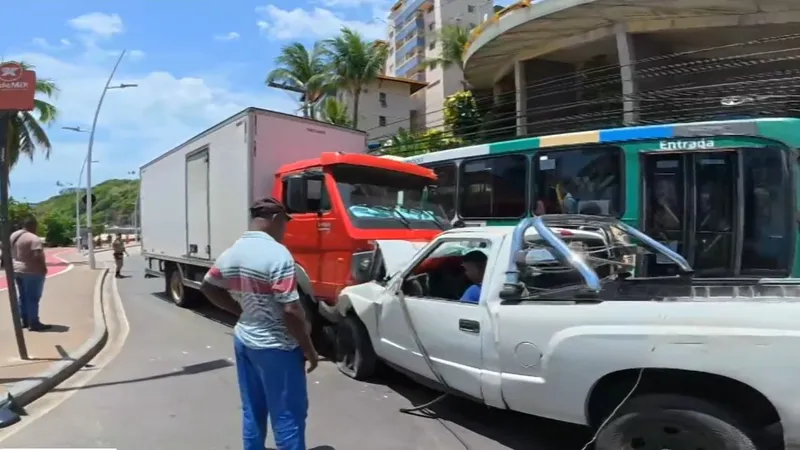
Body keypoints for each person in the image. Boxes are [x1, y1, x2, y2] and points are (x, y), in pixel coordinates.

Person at [200, 197, 318, 450]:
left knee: (253, 408)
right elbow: (290, 310)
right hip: (277, 347)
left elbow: (208, 286)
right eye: (285, 222)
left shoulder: (233, 251)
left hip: (245, 340)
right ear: (276, 218)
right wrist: (308, 349)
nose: (285, 229)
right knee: (288, 415)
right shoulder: (278, 254)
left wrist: (241, 310)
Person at [10, 216, 50, 331]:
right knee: (33, 298)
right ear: (33, 225)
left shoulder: (14, 235)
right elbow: (37, 255)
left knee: (22, 296)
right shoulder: (34, 238)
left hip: (16, 270)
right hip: (32, 271)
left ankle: (25, 321)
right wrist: (43, 268)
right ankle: (34, 323)